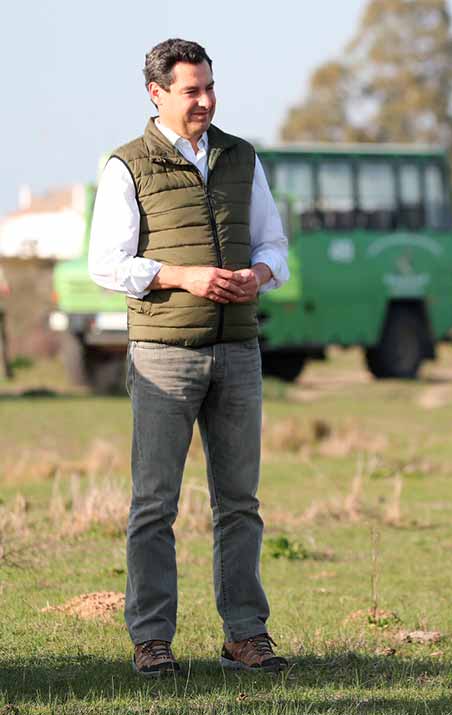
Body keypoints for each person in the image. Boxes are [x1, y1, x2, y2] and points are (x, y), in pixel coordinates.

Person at [88, 38, 290, 677]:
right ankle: (151, 640)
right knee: (154, 505)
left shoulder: (241, 156)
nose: (205, 100)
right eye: (190, 90)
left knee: (240, 503)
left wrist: (256, 276)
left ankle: (245, 635)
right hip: (163, 354)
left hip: (239, 351)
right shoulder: (127, 165)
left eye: (209, 86)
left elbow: (275, 244)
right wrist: (184, 277)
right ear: (157, 93)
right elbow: (107, 265)